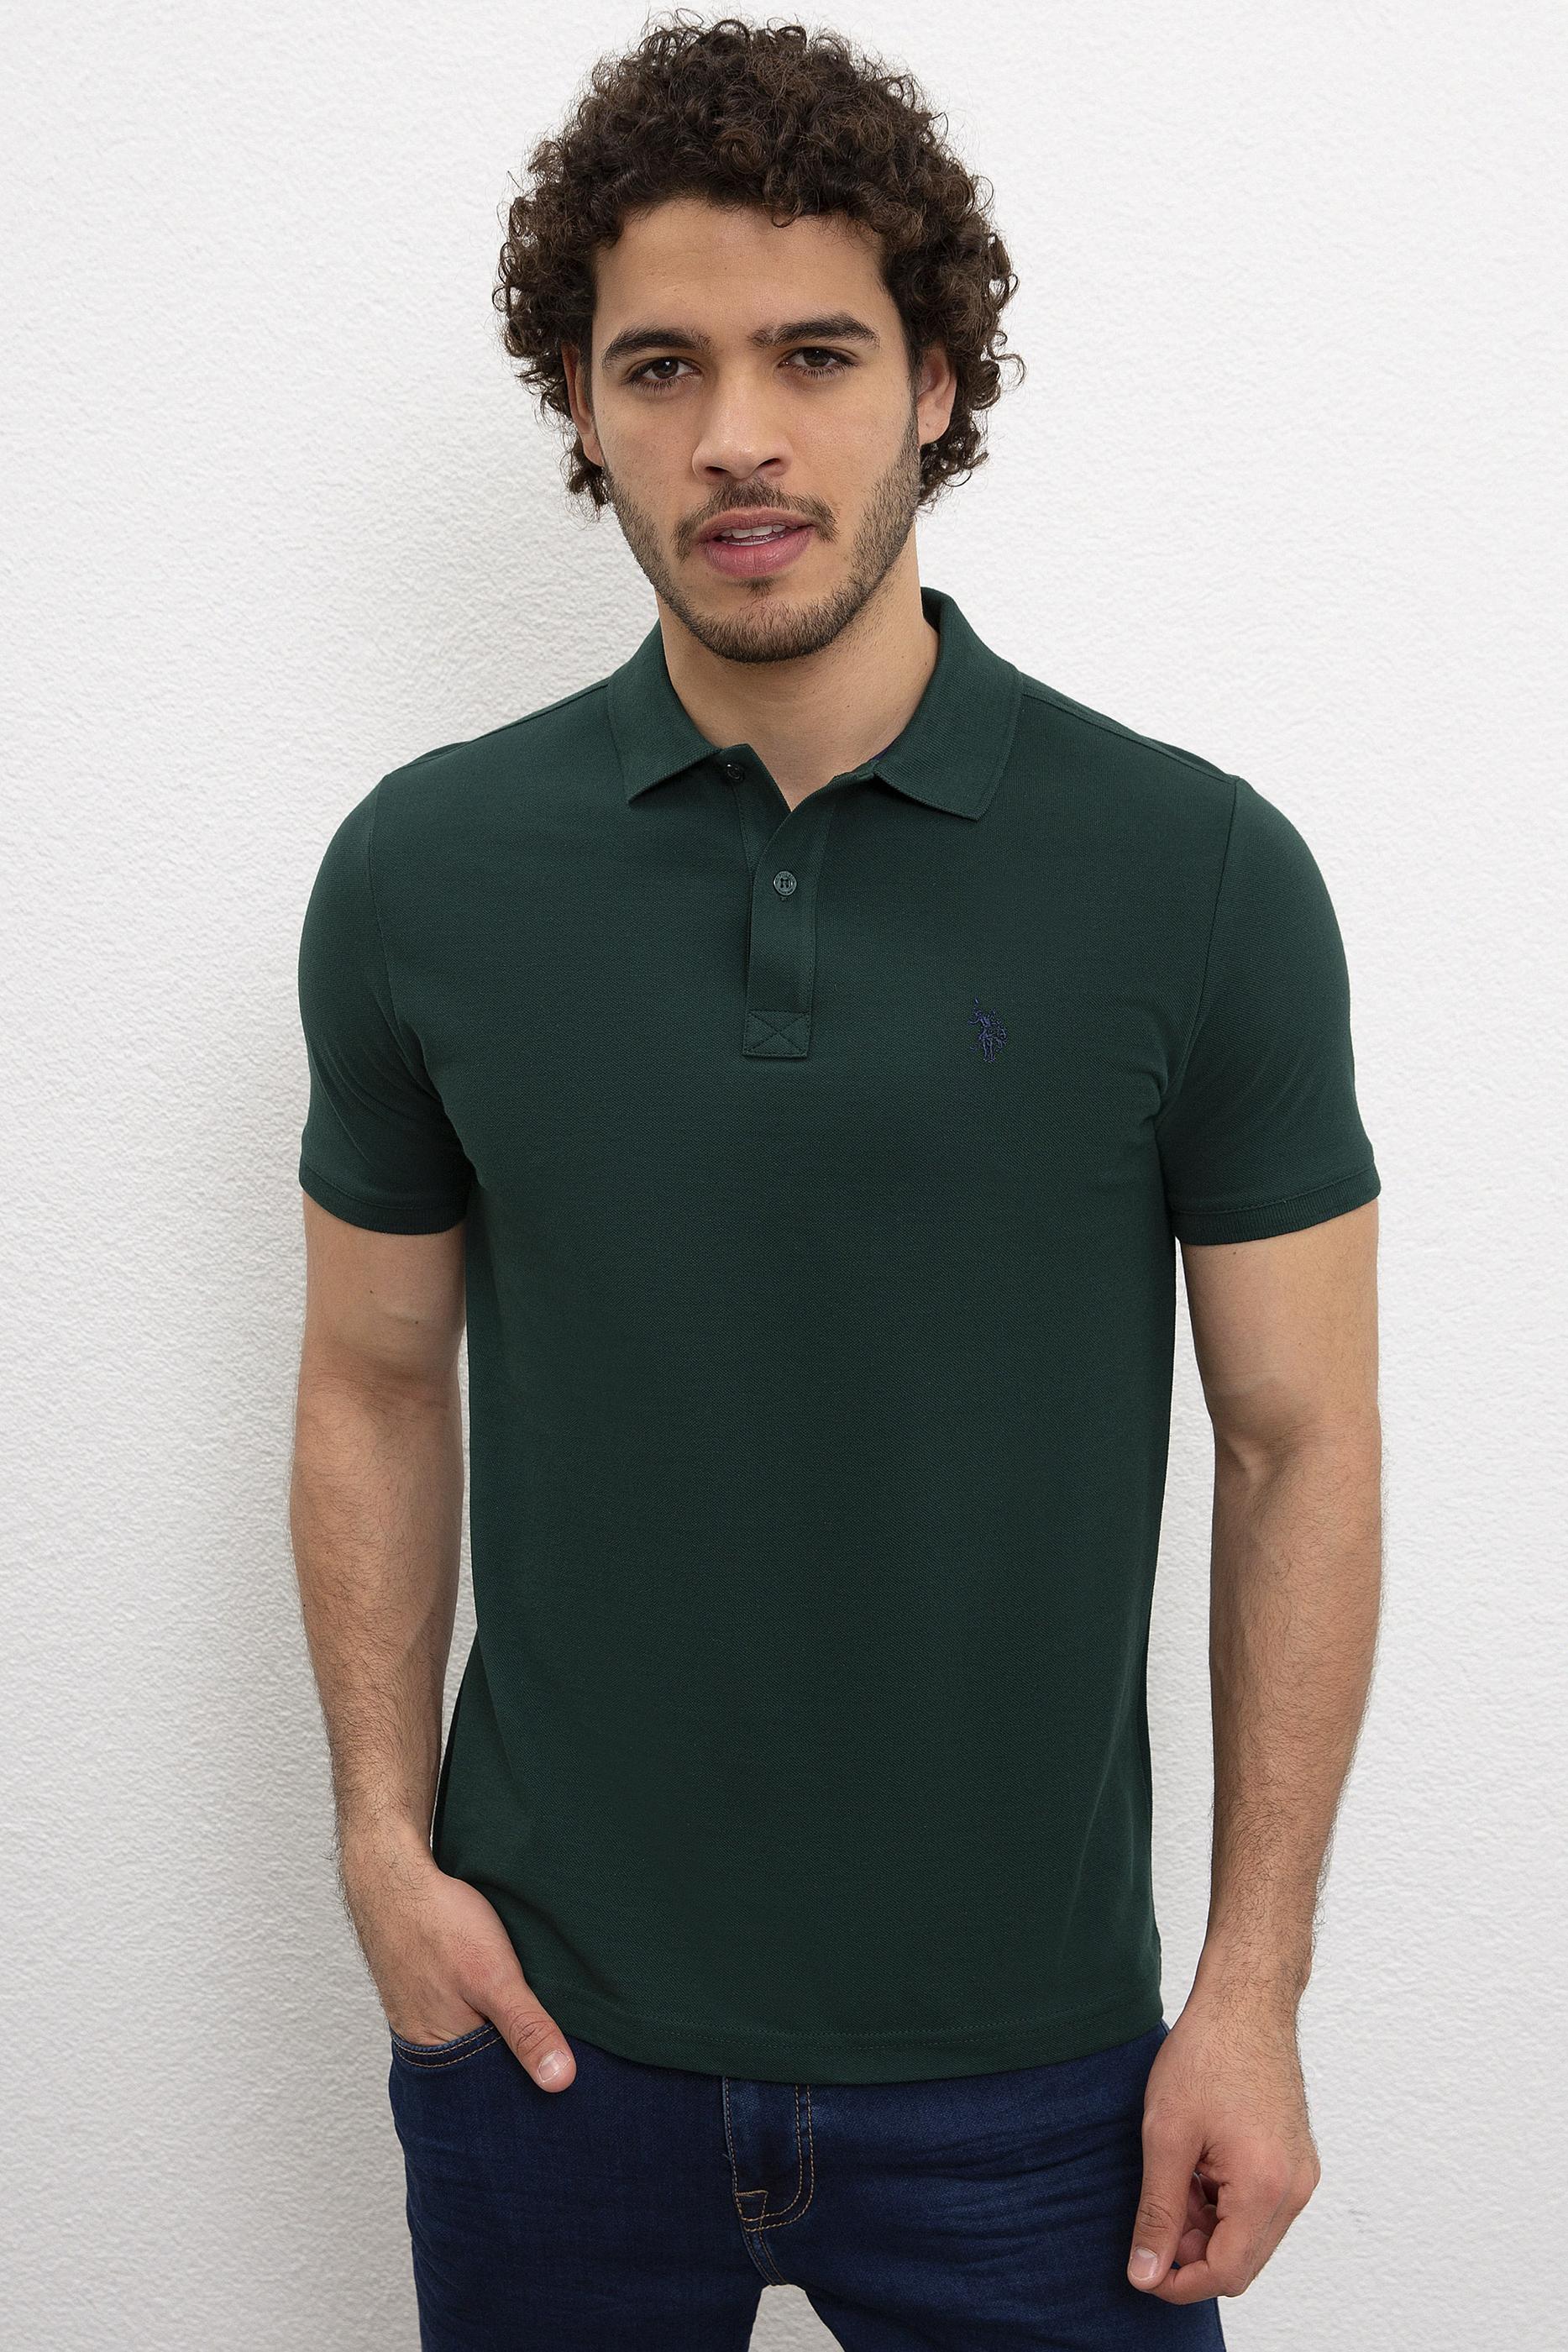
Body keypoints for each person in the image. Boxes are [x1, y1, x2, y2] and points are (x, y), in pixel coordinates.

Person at [288, 16, 1382, 2347]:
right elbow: (371, 1380)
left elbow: (1300, 1441)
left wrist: (1253, 1990)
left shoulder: (1194, 877)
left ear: (937, 383)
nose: (739, 437)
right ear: (581, 406)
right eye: (660, 366)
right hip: (543, 2048)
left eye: (814, 354)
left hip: (1048, 2078)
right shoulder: (423, 873)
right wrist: (382, 1845)